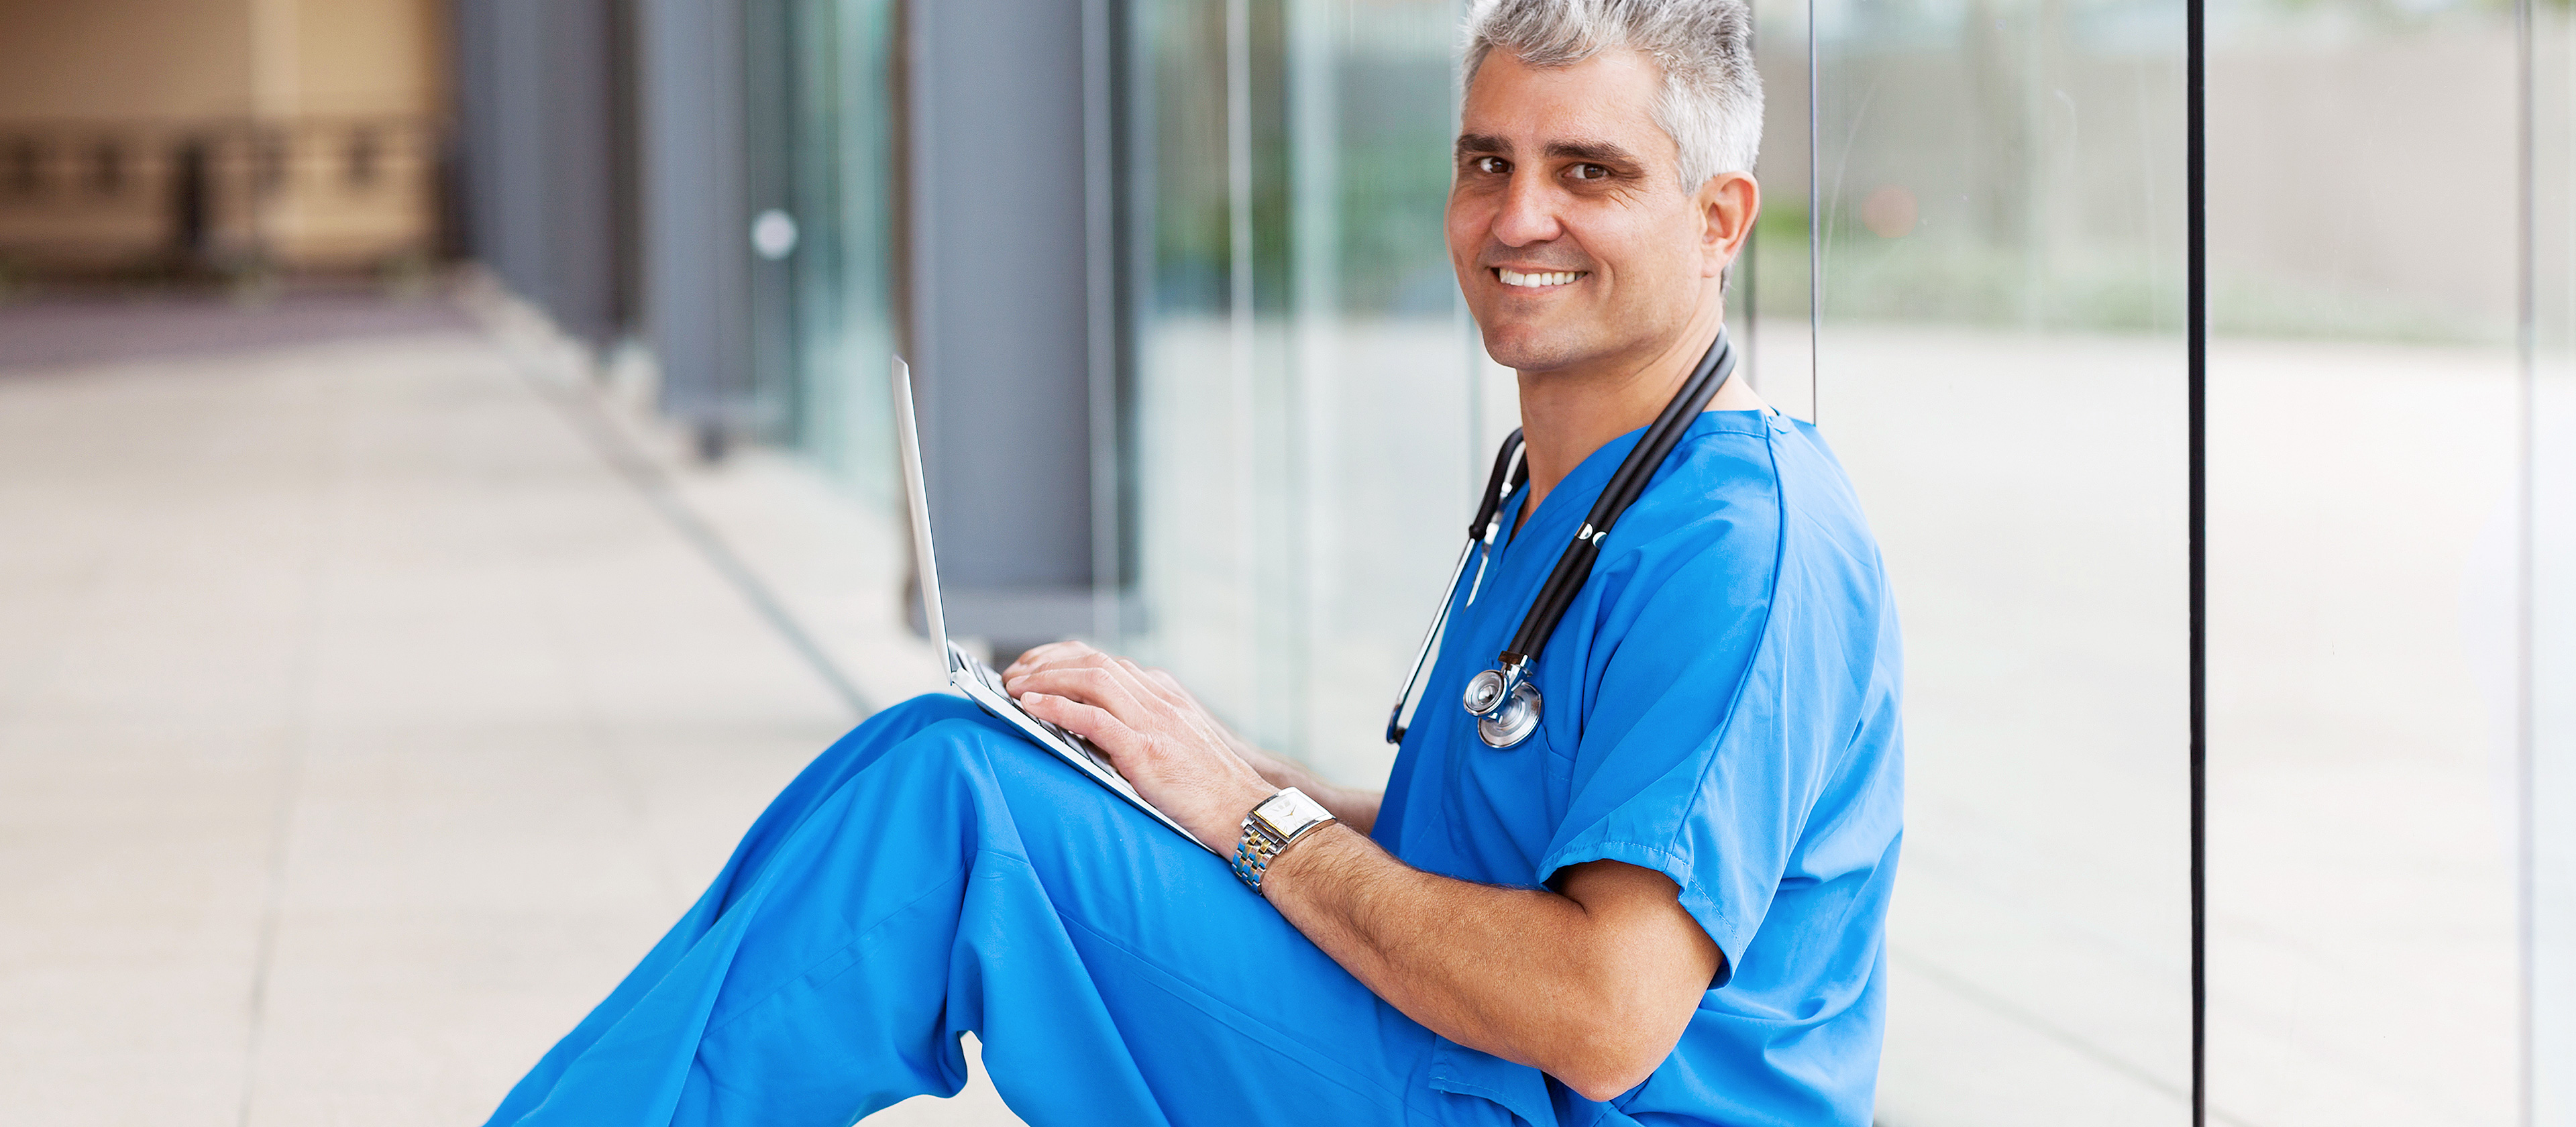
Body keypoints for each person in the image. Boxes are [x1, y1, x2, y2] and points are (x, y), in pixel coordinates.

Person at [483, 0, 1902, 1123]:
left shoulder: (1740, 548)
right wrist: (1215, 774)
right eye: (1489, 162)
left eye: (1588, 171)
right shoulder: (1569, 489)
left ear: (1720, 220)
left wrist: (1249, 817)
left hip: (1533, 1098)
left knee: (957, 811)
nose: (1517, 217)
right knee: (942, 750)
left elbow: (1606, 1011)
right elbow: (1497, 840)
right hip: (1452, 1065)